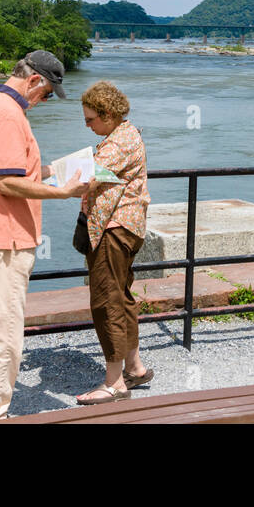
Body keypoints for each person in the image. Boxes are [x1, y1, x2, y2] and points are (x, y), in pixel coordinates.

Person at [0, 51, 91, 424]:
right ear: (33, 81)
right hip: (5, 238)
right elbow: (7, 182)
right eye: (46, 94)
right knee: (5, 332)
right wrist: (65, 192)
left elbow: (9, 170)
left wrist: (53, 171)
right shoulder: (11, 116)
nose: (43, 102)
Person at [75, 80, 154, 405]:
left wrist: (43, 173)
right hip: (127, 227)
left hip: (113, 228)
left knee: (106, 301)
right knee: (121, 298)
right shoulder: (126, 134)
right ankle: (134, 368)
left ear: (107, 115)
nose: (88, 125)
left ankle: (114, 383)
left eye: (90, 119)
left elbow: (84, 176)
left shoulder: (118, 143)